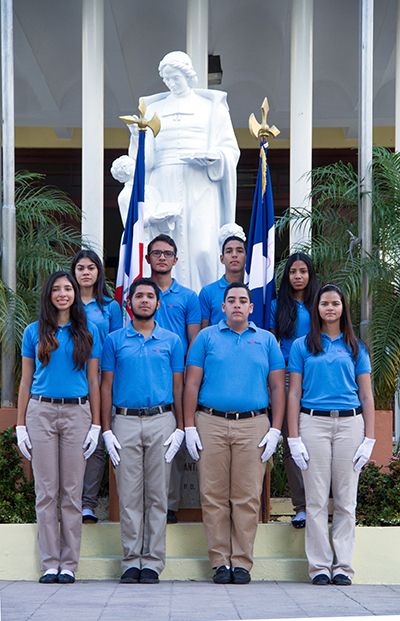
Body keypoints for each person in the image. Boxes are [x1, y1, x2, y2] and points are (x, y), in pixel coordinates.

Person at [184, 283, 285, 584]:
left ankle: (241, 562)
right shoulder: (206, 337)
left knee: (246, 496)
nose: (237, 305)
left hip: (253, 424)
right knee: (213, 495)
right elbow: (191, 384)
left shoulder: (266, 340)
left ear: (252, 308)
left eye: (243, 300)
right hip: (210, 422)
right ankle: (219, 562)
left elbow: (278, 386)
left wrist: (276, 429)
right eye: (231, 300)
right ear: (223, 307)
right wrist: (189, 425)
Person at [118, 50, 240, 293]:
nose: (172, 83)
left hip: (201, 183)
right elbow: (147, 162)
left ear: (189, 75)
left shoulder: (211, 107)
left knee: (203, 248)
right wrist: (137, 138)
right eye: (167, 79)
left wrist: (215, 158)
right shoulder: (154, 110)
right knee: (162, 247)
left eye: (176, 77)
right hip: (164, 183)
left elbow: (229, 149)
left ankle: (205, 306)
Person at [287, 283, 375, 586]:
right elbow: (294, 393)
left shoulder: (355, 347)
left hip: (350, 425)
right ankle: (320, 567)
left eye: (335, 303)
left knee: (346, 500)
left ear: (342, 308)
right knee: (315, 500)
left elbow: (366, 395)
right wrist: (293, 436)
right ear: (317, 308)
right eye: (324, 303)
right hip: (313, 424)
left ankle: (342, 567)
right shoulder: (302, 346)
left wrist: (370, 438)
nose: (329, 308)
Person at [16, 271, 101, 584]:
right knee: (46, 491)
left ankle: (69, 564)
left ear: (75, 294)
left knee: (71, 492)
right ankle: (50, 563)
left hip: (77, 413)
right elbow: (25, 380)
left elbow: (94, 379)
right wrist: (21, 424)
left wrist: (96, 424)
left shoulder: (86, 333)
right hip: (41, 411)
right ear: (48, 295)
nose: (63, 293)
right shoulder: (33, 332)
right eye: (57, 289)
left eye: (68, 288)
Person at [100, 278, 185, 584]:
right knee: (129, 495)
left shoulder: (172, 341)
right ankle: (130, 561)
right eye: (139, 296)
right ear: (129, 303)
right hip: (124, 422)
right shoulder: (114, 341)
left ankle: (152, 561)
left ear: (158, 304)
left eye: (150, 296)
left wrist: (182, 427)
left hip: (162, 421)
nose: (145, 300)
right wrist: (106, 429)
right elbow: (106, 386)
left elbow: (179, 386)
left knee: (158, 495)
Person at [145, 234, 201, 524]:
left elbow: (193, 340)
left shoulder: (189, 297)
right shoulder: (140, 292)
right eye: (157, 253)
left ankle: (169, 504)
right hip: (145, 373)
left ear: (176, 260)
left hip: (176, 376)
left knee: (174, 440)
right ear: (148, 258)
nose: (162, 258)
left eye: (168, 253)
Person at [70, 249, 123, 524]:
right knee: (76, 440)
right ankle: (71, 501)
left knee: (100, 439)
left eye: (91, 267)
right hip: (73, 376)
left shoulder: (110, 306)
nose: (86, 272)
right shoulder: (66, 303)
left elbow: (116, 344)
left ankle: (88, 504)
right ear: (74, 272)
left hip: (104, 379)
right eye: (81, 268)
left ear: (99, 272)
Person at [270, 253, 319, 528]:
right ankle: (301, 506)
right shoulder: (277, 305)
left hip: (315, 376)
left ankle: (318, 503)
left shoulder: (319, 303)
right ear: (286, 276)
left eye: (303, 271)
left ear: (310, 274)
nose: (298, 276)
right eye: (293, 272)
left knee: (316, 441)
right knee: (292, 440)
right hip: (287, 377)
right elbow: (271, 343)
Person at [199, 228, 247, 328]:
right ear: (222, 259)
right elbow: (203, 332)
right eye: (229, 251)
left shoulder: (254, 289)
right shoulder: (207, 292)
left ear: (246, 257)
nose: (234, 255)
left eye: (239, 251)